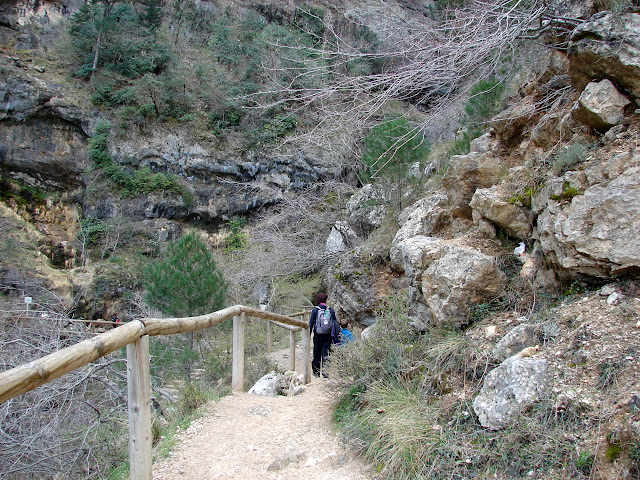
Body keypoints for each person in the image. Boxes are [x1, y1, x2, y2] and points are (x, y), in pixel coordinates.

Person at [309, 293, 339, 377]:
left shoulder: (315, 310)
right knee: (326, 353)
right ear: (326, 300)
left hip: (317, 336)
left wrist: (308, 335)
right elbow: (335, 324)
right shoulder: (331, 310)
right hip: (328, 336)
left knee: (317, 353)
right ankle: (326, 373)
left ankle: (316, 373)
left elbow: (311, 324)